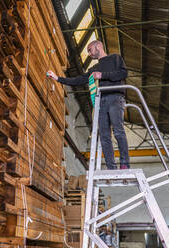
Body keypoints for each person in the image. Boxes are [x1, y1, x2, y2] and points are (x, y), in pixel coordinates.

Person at [47, 40, 130, 170]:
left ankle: (124, 164)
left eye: (90, 50)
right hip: (101, 101)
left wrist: (102, 75)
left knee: (118, 131)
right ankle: (111, 167)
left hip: (115, 97)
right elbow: (78, 80)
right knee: (104, 136)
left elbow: (123, 73)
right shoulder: (93, 68)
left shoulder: (115, 58)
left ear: (98, 46)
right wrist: (58, 78)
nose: (90, 54)